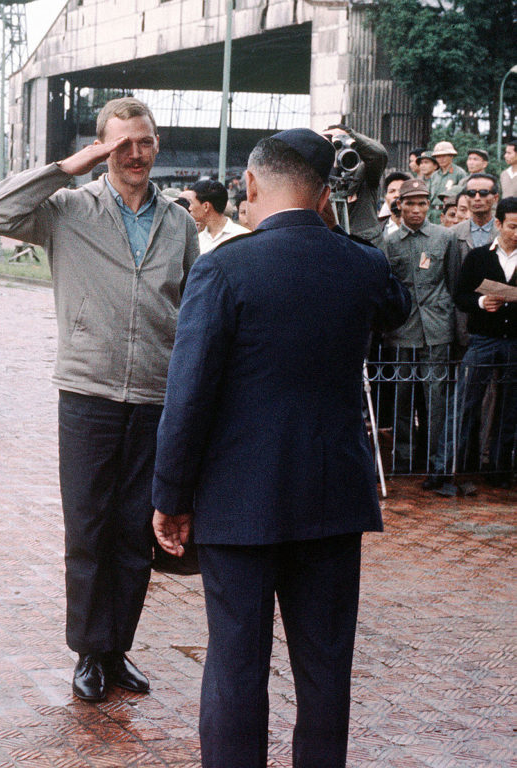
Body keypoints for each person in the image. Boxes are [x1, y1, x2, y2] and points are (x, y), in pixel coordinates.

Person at [151, 128, 410, 768]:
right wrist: (352, 217)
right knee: (325, 670)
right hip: (332, 497)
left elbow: (188, 396)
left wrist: (170, 496)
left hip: (239, 501)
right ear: (325, 195)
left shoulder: (223, 268)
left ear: (250, 184)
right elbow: (397, 307)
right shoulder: (361, 264)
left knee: (236, 663)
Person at [0, 97, 200, 702]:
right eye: (120, 143)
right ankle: (87, 652)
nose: (134, 153)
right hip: (88, 390)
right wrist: (65, 168)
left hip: (154, 392)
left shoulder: (178, 222)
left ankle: (117, 648)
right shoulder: (69, 210)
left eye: (144, 142)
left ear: (157, 146)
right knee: (89, 527)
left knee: (134, 531)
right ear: (101, 149)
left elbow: (194, 306)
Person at [383, 178, 459, 488]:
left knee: (435, 396)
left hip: (437, 327)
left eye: (422, 203)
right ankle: (404, 455)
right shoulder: (390, 242)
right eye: (410, 203)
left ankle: (435, 459)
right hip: (403, 327)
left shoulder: (444, 238)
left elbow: (453, 282)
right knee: (402, 394)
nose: (416, 210)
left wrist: (449, 320)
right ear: (399, 205)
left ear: (429, 206)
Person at [454, 196, 517, 488]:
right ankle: (459, 463)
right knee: (468, 401)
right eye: (512, 227)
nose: (516, 234)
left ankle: (500, 469)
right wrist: (481, 301)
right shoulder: (479, 257)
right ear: (499, 224)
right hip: (482, 340)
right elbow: (460, 295)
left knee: (509, 406)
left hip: (513, 342)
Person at [322, 124, 388, 247]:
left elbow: (379, 154)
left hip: (365, 246)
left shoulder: (364, 172)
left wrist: (349, 135)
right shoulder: (319, 174)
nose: (338, 152)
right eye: (334, 147)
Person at [180, 179, 248, 253]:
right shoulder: (197, 240)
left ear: (206, 206)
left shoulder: (243, 237)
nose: (189, 208)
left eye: (191, 202)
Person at [379, 171, 410, 237]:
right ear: (385, 198)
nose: (396, 195)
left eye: (401, 191)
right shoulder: (376, 230)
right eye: (392, 191)